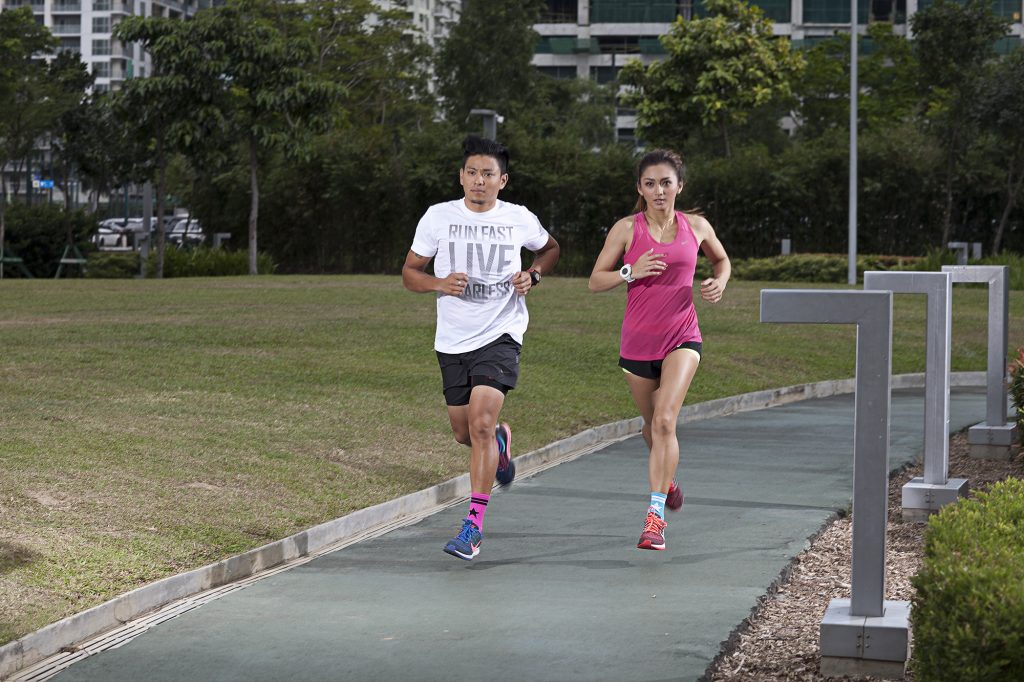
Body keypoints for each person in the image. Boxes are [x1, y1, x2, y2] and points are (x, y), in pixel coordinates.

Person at [402, 135, 560, 561]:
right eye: (471, 173)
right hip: (453, 339)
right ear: (461, 176)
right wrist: (438, 283)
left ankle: (473, 526)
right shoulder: (438, 217)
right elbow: (409, 273)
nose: (478, 180)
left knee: (482, 423)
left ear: (502, 180)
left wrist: (535, 275)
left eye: (488, 174)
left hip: (502, 332)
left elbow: (550, 249)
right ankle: (500, 449)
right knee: (463, 432)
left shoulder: (518, 218)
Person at [588, 149, 730, 551]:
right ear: (640, 188)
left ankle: (654, 520)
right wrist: (630, 271)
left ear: (679, 186)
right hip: (637, 342)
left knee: (666, 421)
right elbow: (595, 281)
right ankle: (667, 482)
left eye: (666, 182)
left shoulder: (697, 226)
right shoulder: (626, 229)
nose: (659, 190)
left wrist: (720, 281)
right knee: (652, 429)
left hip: (682, 336)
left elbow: (722, 261)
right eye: (650, 183)